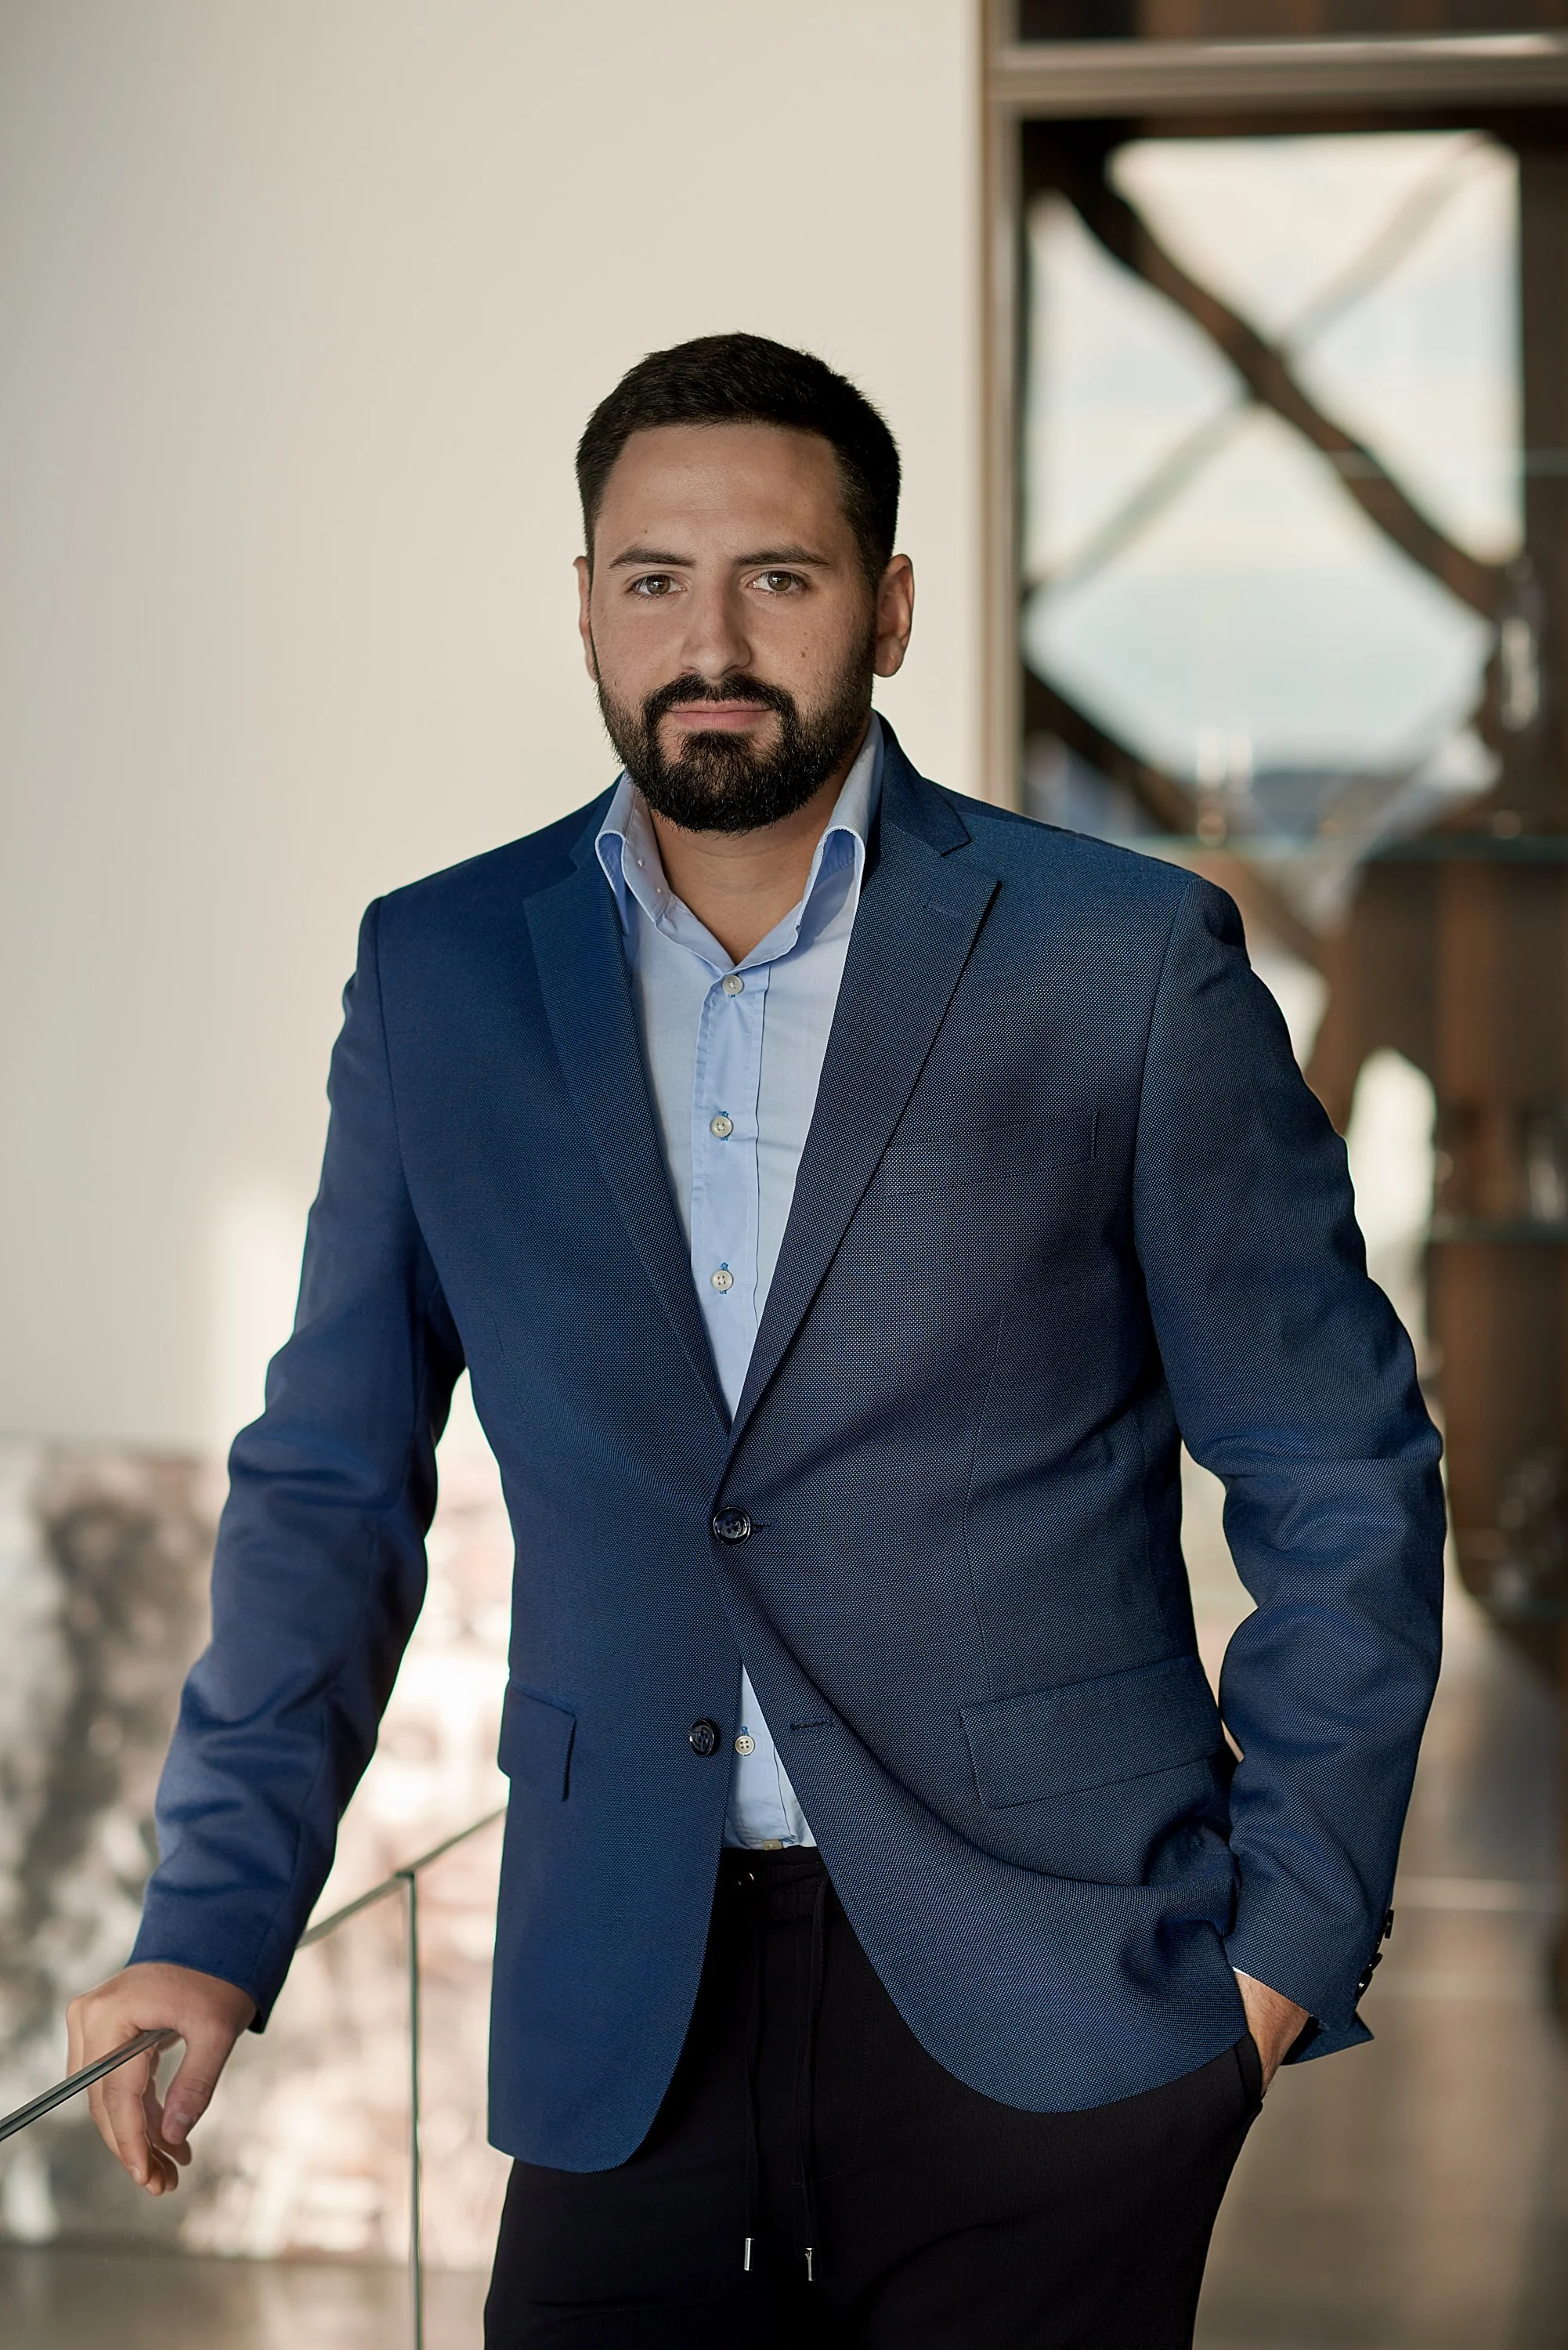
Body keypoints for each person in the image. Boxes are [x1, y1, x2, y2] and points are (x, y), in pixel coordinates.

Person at [70, 332, 1445, 2347]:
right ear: (585, 607)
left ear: (886, 607)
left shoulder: (1118, 961)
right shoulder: (442, 969)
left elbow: (1337, 1470)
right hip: (621, 1999)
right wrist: (208, 1925)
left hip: (1064, 2011)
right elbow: (327, 1486)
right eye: (652, 581)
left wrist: (1274, 1959)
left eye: (777, 580)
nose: (707, 640)